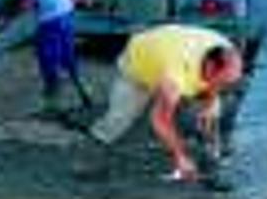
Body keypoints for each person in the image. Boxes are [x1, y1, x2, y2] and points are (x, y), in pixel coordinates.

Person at [87, 24, 242, 183]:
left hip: (171, 53)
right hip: (138, 67)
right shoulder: (175, 76)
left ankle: (208, 148)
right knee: (121, 118)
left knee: (211, 110)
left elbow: (220, 82)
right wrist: (180, 156)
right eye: (223, 80)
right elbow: (160, 120)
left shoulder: (225, 49)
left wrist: (210, 104)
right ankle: (96, 143)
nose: (225, 86)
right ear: (210, 67)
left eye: (230, 81)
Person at [3, 0, 91, 113]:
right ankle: (83, 92)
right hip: (66, 11)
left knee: (47, 58)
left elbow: (27, 1)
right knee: (67, 55)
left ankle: (53, 102)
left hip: (51, 18)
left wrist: (7, 20)